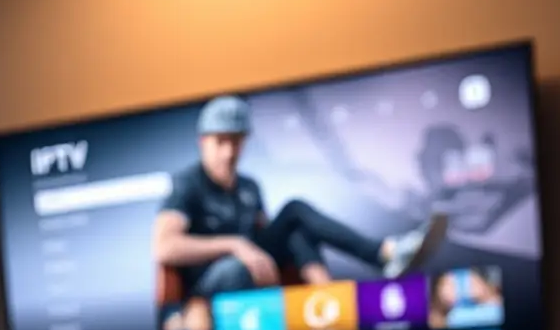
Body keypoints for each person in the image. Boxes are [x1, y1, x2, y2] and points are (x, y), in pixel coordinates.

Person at [152, 95, 447, 299]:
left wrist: (259, 249)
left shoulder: (249, 187)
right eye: (220, 142)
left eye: (236, 142)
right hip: (212, 283)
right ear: (203, 142)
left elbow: (277, 240)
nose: (228, 152)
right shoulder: (187, 184)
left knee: (295, 222)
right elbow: (164, 247)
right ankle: (382, 254)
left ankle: (328, 298)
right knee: (253, 252)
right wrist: (235, 245)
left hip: (254, 270)